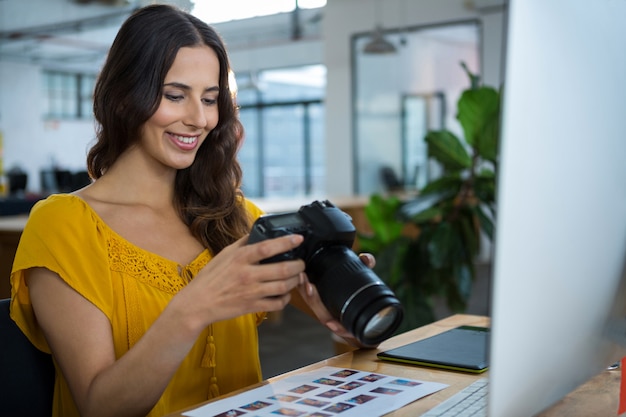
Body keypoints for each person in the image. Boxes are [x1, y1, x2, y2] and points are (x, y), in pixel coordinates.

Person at [9, 4, 375, 417]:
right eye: (175, 95)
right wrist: (193, 307)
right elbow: (100, 405)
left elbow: (352, 332)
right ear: (126, 95)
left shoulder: (234, 216)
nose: (198, 119)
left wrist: (346, 307)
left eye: (210, 99)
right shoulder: (63, 224)